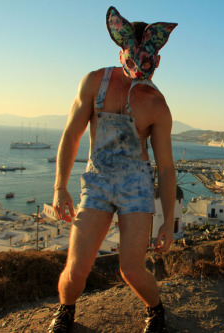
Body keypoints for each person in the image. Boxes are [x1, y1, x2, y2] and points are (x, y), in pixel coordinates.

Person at [48, 6, 177, 333]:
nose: (142, 67)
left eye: (148, 61)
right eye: (135, 58)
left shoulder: (157, 105)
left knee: (132, 270)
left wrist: (168, 222)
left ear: (157, 60)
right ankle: (65, 312)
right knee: (76, 269)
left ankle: (156, 310)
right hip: (98, 183)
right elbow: (71, 134)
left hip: (137, 188)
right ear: (121, 52)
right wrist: (60, 187)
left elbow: (165, 167)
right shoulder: (95, 82)